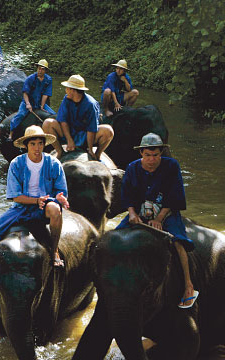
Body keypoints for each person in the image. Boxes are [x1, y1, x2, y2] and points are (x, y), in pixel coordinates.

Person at [0, 125, 70, 288]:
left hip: (45, 204)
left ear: (44, 145)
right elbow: (15, 196)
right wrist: (35, 200)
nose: (37, 148)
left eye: (40, 143)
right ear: (26, 146)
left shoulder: (53, 163)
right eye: (33, 144)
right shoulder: (16, 164)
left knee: (55, 209)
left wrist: (60, 198)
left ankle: (54, 251)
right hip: (21, 207)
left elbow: (61, 190)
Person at [116, 133, 196, 308]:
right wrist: (131, 213)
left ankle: (188, 284)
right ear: (141, 154)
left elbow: (176, 196)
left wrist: (160, 218)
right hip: (139, 212)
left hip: (166, 212)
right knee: (115, 238)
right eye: (147, 155)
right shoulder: (132, 168)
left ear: (161, 154)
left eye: (156, 155)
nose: (152, 160)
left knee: (177, 241)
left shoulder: (172, 166)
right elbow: (127, 195)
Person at [42, 74, 114, 160]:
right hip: (69, 132)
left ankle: (97, 154)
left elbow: (91, 128)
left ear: (73, 90)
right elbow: (63, 121)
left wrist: (90, 149)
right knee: (47, 123)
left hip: (85, 136)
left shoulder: (91, 104)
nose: (66, 90)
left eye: (67, 88)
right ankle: (60, 151)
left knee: (108, 130)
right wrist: (69, 140)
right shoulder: (66, 99)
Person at [9, 59, 55, 140]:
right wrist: (27, 104)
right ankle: (11, 133)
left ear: (46, 70)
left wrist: (42, 106)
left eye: (42, 69)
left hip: (39, 102)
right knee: (21, 115)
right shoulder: (30, 79)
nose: (40, 71)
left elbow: (46, 94)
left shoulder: (48, 80)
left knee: (53, 114)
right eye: (39, 68)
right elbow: (25, 93)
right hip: (28, 101)